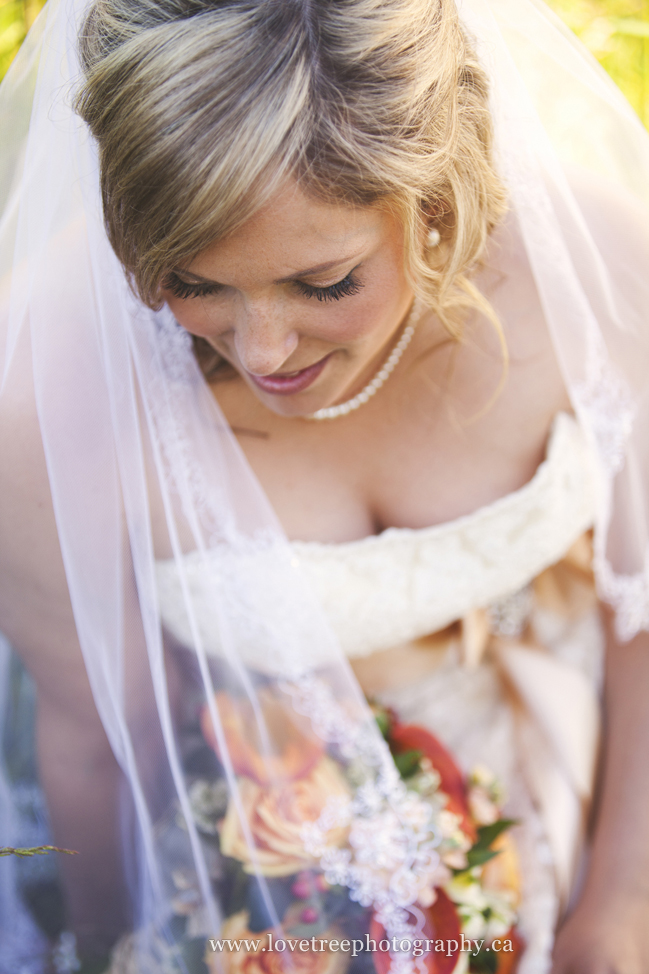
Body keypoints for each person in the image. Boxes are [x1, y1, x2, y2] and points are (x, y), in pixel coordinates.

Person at [1, 0, 649, 972]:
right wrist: (107, 944)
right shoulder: (49, 394)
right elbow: (98, 745)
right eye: (191, 276)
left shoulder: (592, 262)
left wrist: (621, 901)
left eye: (323, 281)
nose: (261, 349)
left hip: (582, 746)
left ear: (433, 198)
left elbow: (639, 603)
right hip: (251, 832)